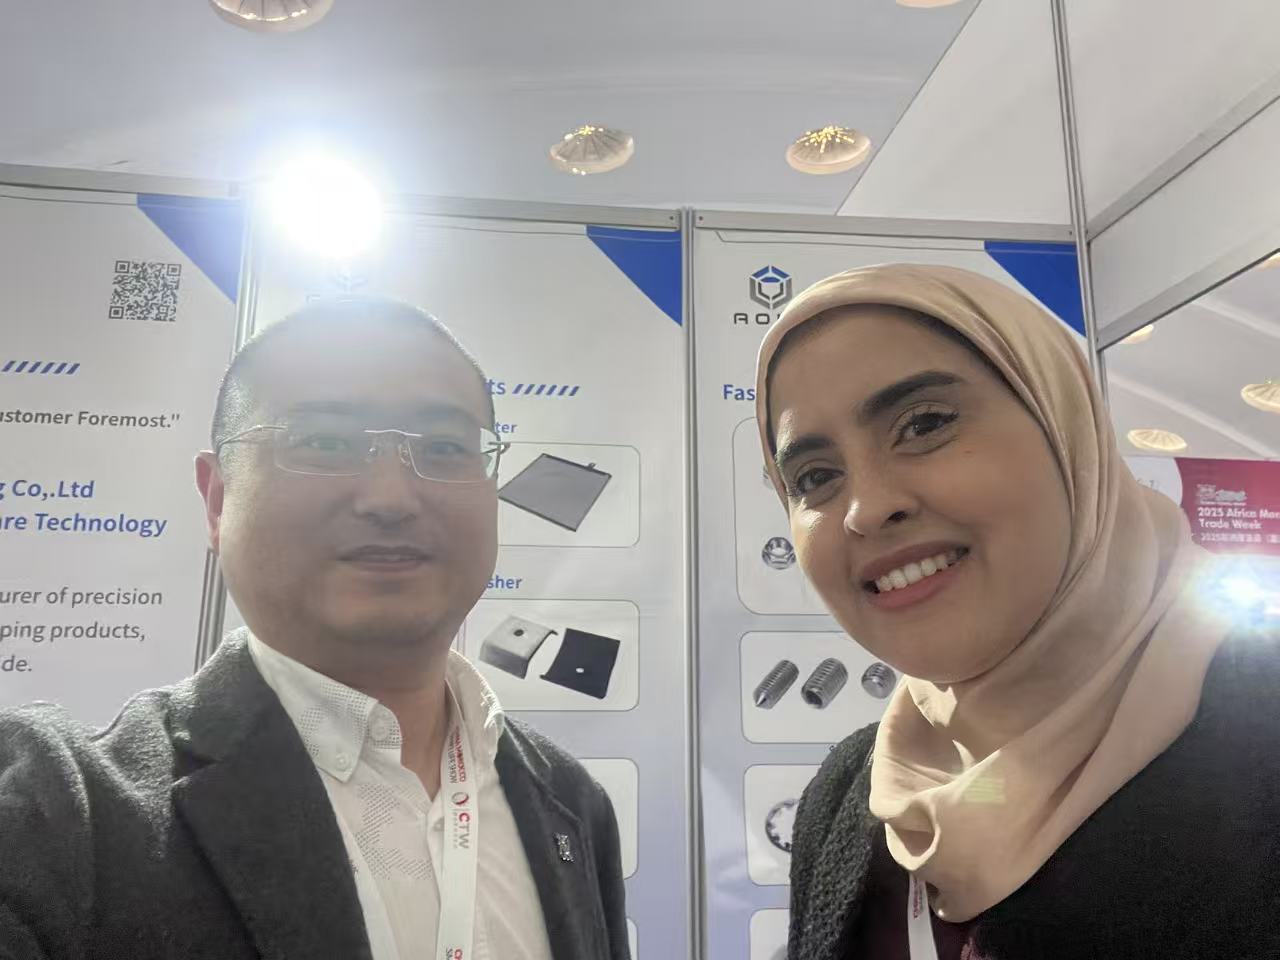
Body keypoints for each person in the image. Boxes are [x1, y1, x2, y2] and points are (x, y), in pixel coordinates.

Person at [0, 297, 630, 960]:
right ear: (218, 499)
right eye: (325, 442)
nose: (390, 497)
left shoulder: (570, 801)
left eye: (445, 448)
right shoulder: (58, 814)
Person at [755, 264, 1280, 960]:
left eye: (923, 424)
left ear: (1065, 428)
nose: (866, 508)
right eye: (815, 477)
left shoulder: (1259, 739)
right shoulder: (849, 794)